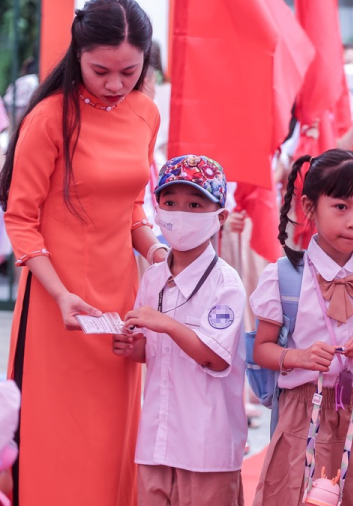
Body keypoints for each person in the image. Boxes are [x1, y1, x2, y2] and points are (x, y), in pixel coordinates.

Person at [0, 0, 166, 506]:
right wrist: (61, 293)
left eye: (129, 71)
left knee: (113, 435)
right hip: (57, 303)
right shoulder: (49, 118)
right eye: (101, 71)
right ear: (77, 55)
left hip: (120, 302)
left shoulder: (144, 113)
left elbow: (133, 208)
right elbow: (21, 220)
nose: (116, 84)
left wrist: (158, 251)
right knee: (57, 435)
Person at [250, 149, 353, 505]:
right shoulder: (281, 277)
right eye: (341, 207)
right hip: (302, 412)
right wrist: (298, 356)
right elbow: (262, 350)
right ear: (310, 207)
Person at [113, 155, 247, 506]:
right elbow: (151, 349)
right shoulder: (155, 277)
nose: (179, 213)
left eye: (194, 204)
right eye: (170, 203)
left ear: (220, 217)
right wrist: (132, 347)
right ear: (156, 209)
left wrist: (167, 325)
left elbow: (216, 359)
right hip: (157, 442)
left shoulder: (226, 283)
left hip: (206, 447)